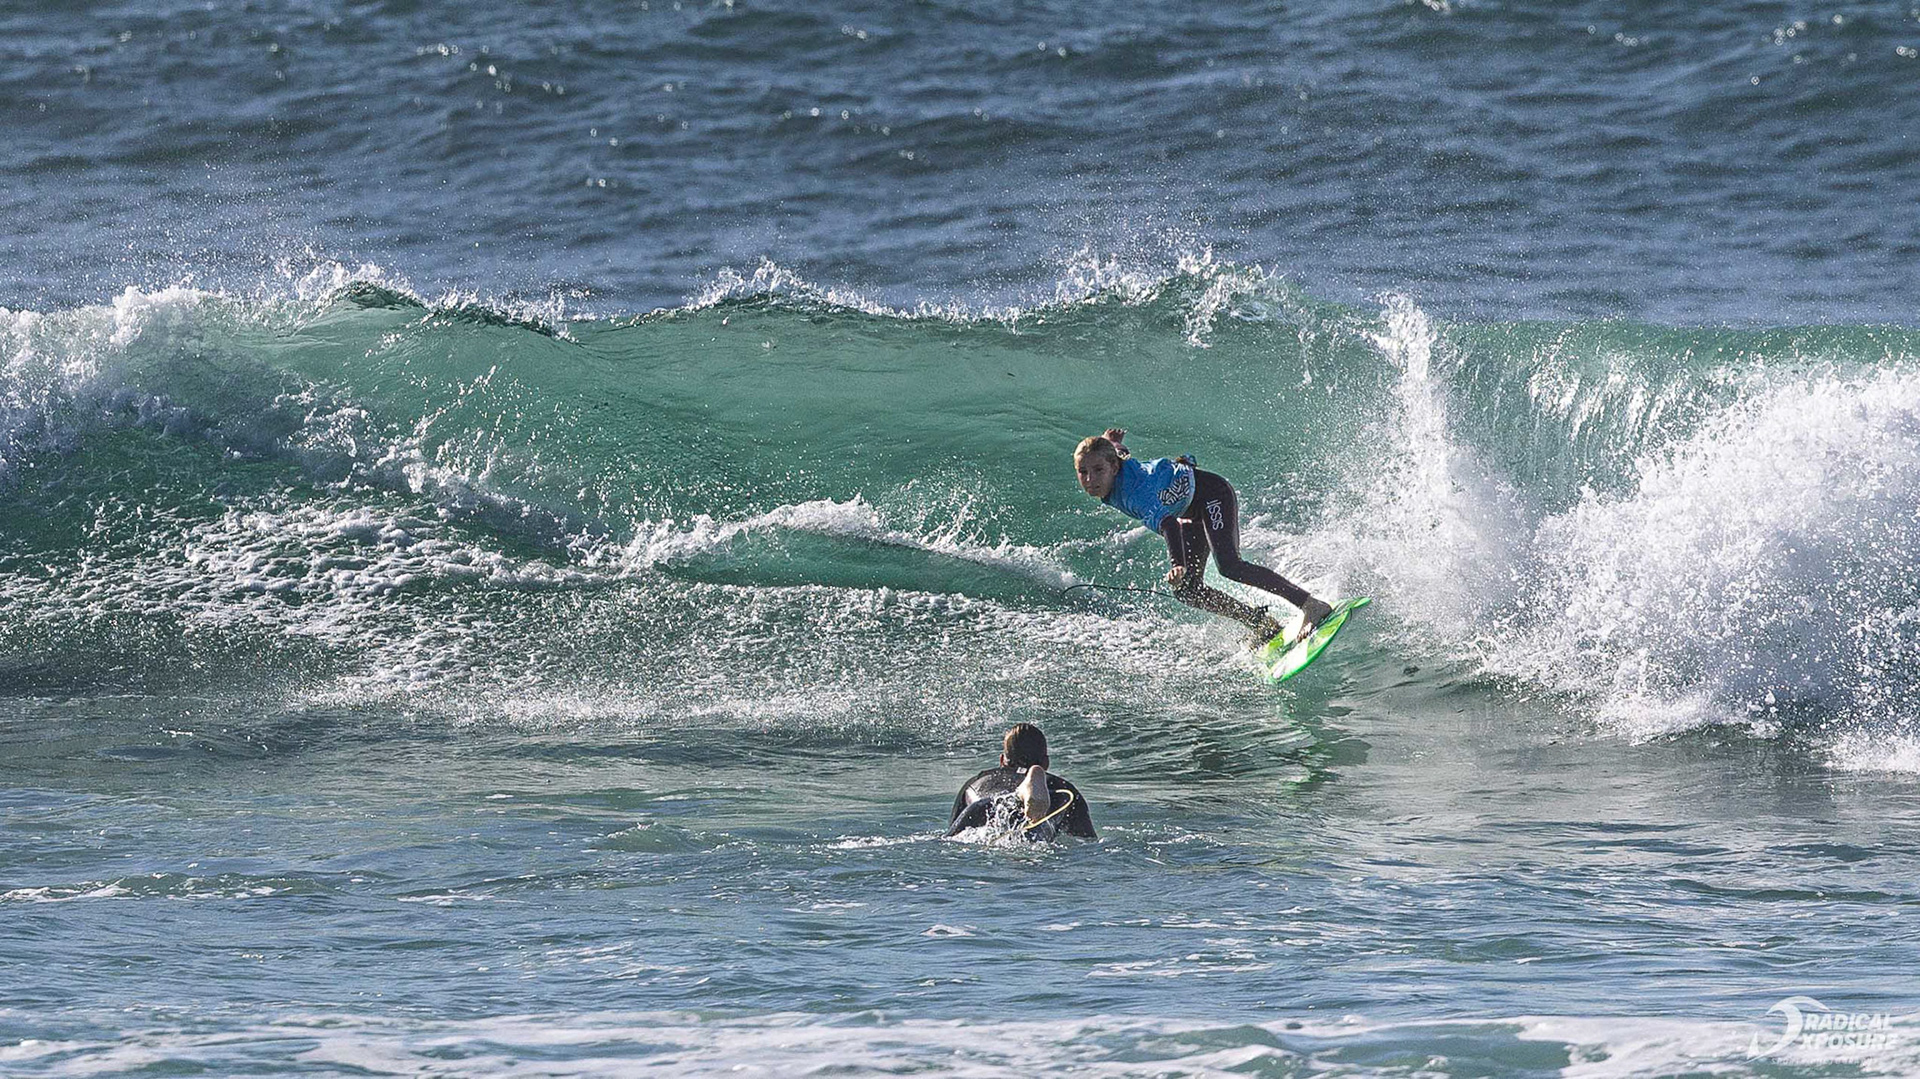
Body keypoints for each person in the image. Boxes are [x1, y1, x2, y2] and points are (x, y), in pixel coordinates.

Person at [1074, 427, 1332, 645]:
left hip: (1211, 494)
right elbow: (1119, 454)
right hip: (1190, 510)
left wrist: (1178, 564)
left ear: (1113, 468)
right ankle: (1261, 623)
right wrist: (1111, 442)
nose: (1090, 479)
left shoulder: (1134, 494)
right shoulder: (1114, 466)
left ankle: (1310, 605)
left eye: (1098, 470)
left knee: (1230, 566)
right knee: (1187, 589)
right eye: (1083, 472)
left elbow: (1169, 525)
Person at [947, 723, 1096, 841]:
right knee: (1035, 836)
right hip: (1051, 798)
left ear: (1002, 760)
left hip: (984, 806)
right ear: (1046, 763)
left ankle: (1020, 794)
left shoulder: (976, 781)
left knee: (950, 839)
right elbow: (1087, 842)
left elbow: (953, 835)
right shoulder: (1064, 789)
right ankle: (1025, 790)